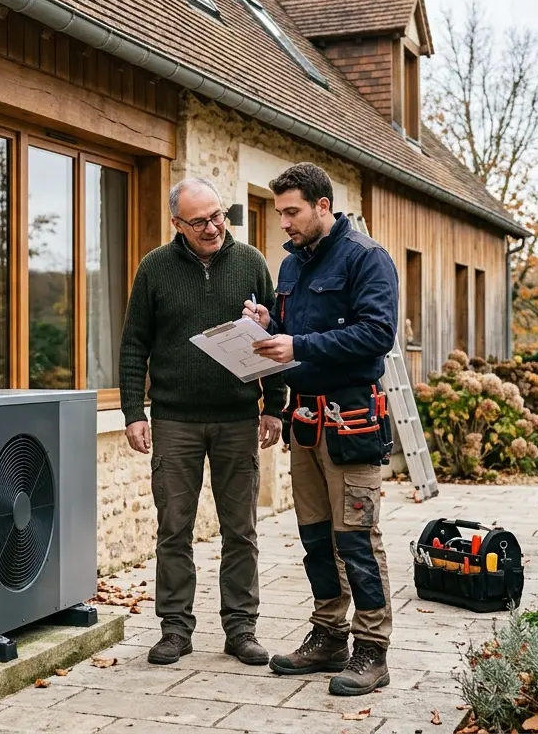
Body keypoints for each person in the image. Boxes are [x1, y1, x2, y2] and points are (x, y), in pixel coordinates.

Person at [243, 162, 399, 697]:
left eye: (291, 212)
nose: (282, 222)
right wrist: (268, 327)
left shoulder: (367, 258)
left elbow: (377, 334)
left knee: (356, 539)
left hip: (352, 420)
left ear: (323, 206)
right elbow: (291, 334)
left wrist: (299, 346)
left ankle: (372, 649)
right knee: (315, 538)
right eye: (280, 211)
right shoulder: (291, 268)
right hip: (305, 423)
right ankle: (328, 633)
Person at [119, 177, 287, 667]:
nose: (214, 227)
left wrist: (274, 405)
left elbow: (276, 337)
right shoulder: (154, 268)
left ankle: (241, 629)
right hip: (175, 421)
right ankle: (175, 629)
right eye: (200, 221)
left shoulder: (253, 262)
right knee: (174, 529)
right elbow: (134, 344)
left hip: (238, 418)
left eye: (218, 215)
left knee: (242, 531)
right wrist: (134, 412)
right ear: (178, 224)